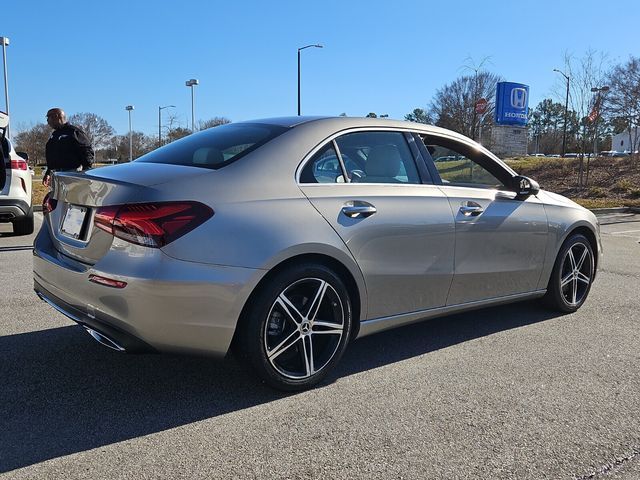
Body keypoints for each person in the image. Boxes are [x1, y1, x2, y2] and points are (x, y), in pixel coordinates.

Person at [43, 108, 94, 186]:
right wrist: (48, 172)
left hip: (72, 173)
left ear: (56, 116)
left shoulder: (73, 132)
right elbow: (52, 155)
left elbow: (87, 150)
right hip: (56, 174)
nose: (47, 121)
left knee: (72, 196)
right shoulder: (54, 135)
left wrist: (86, 171)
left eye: (48, 117)